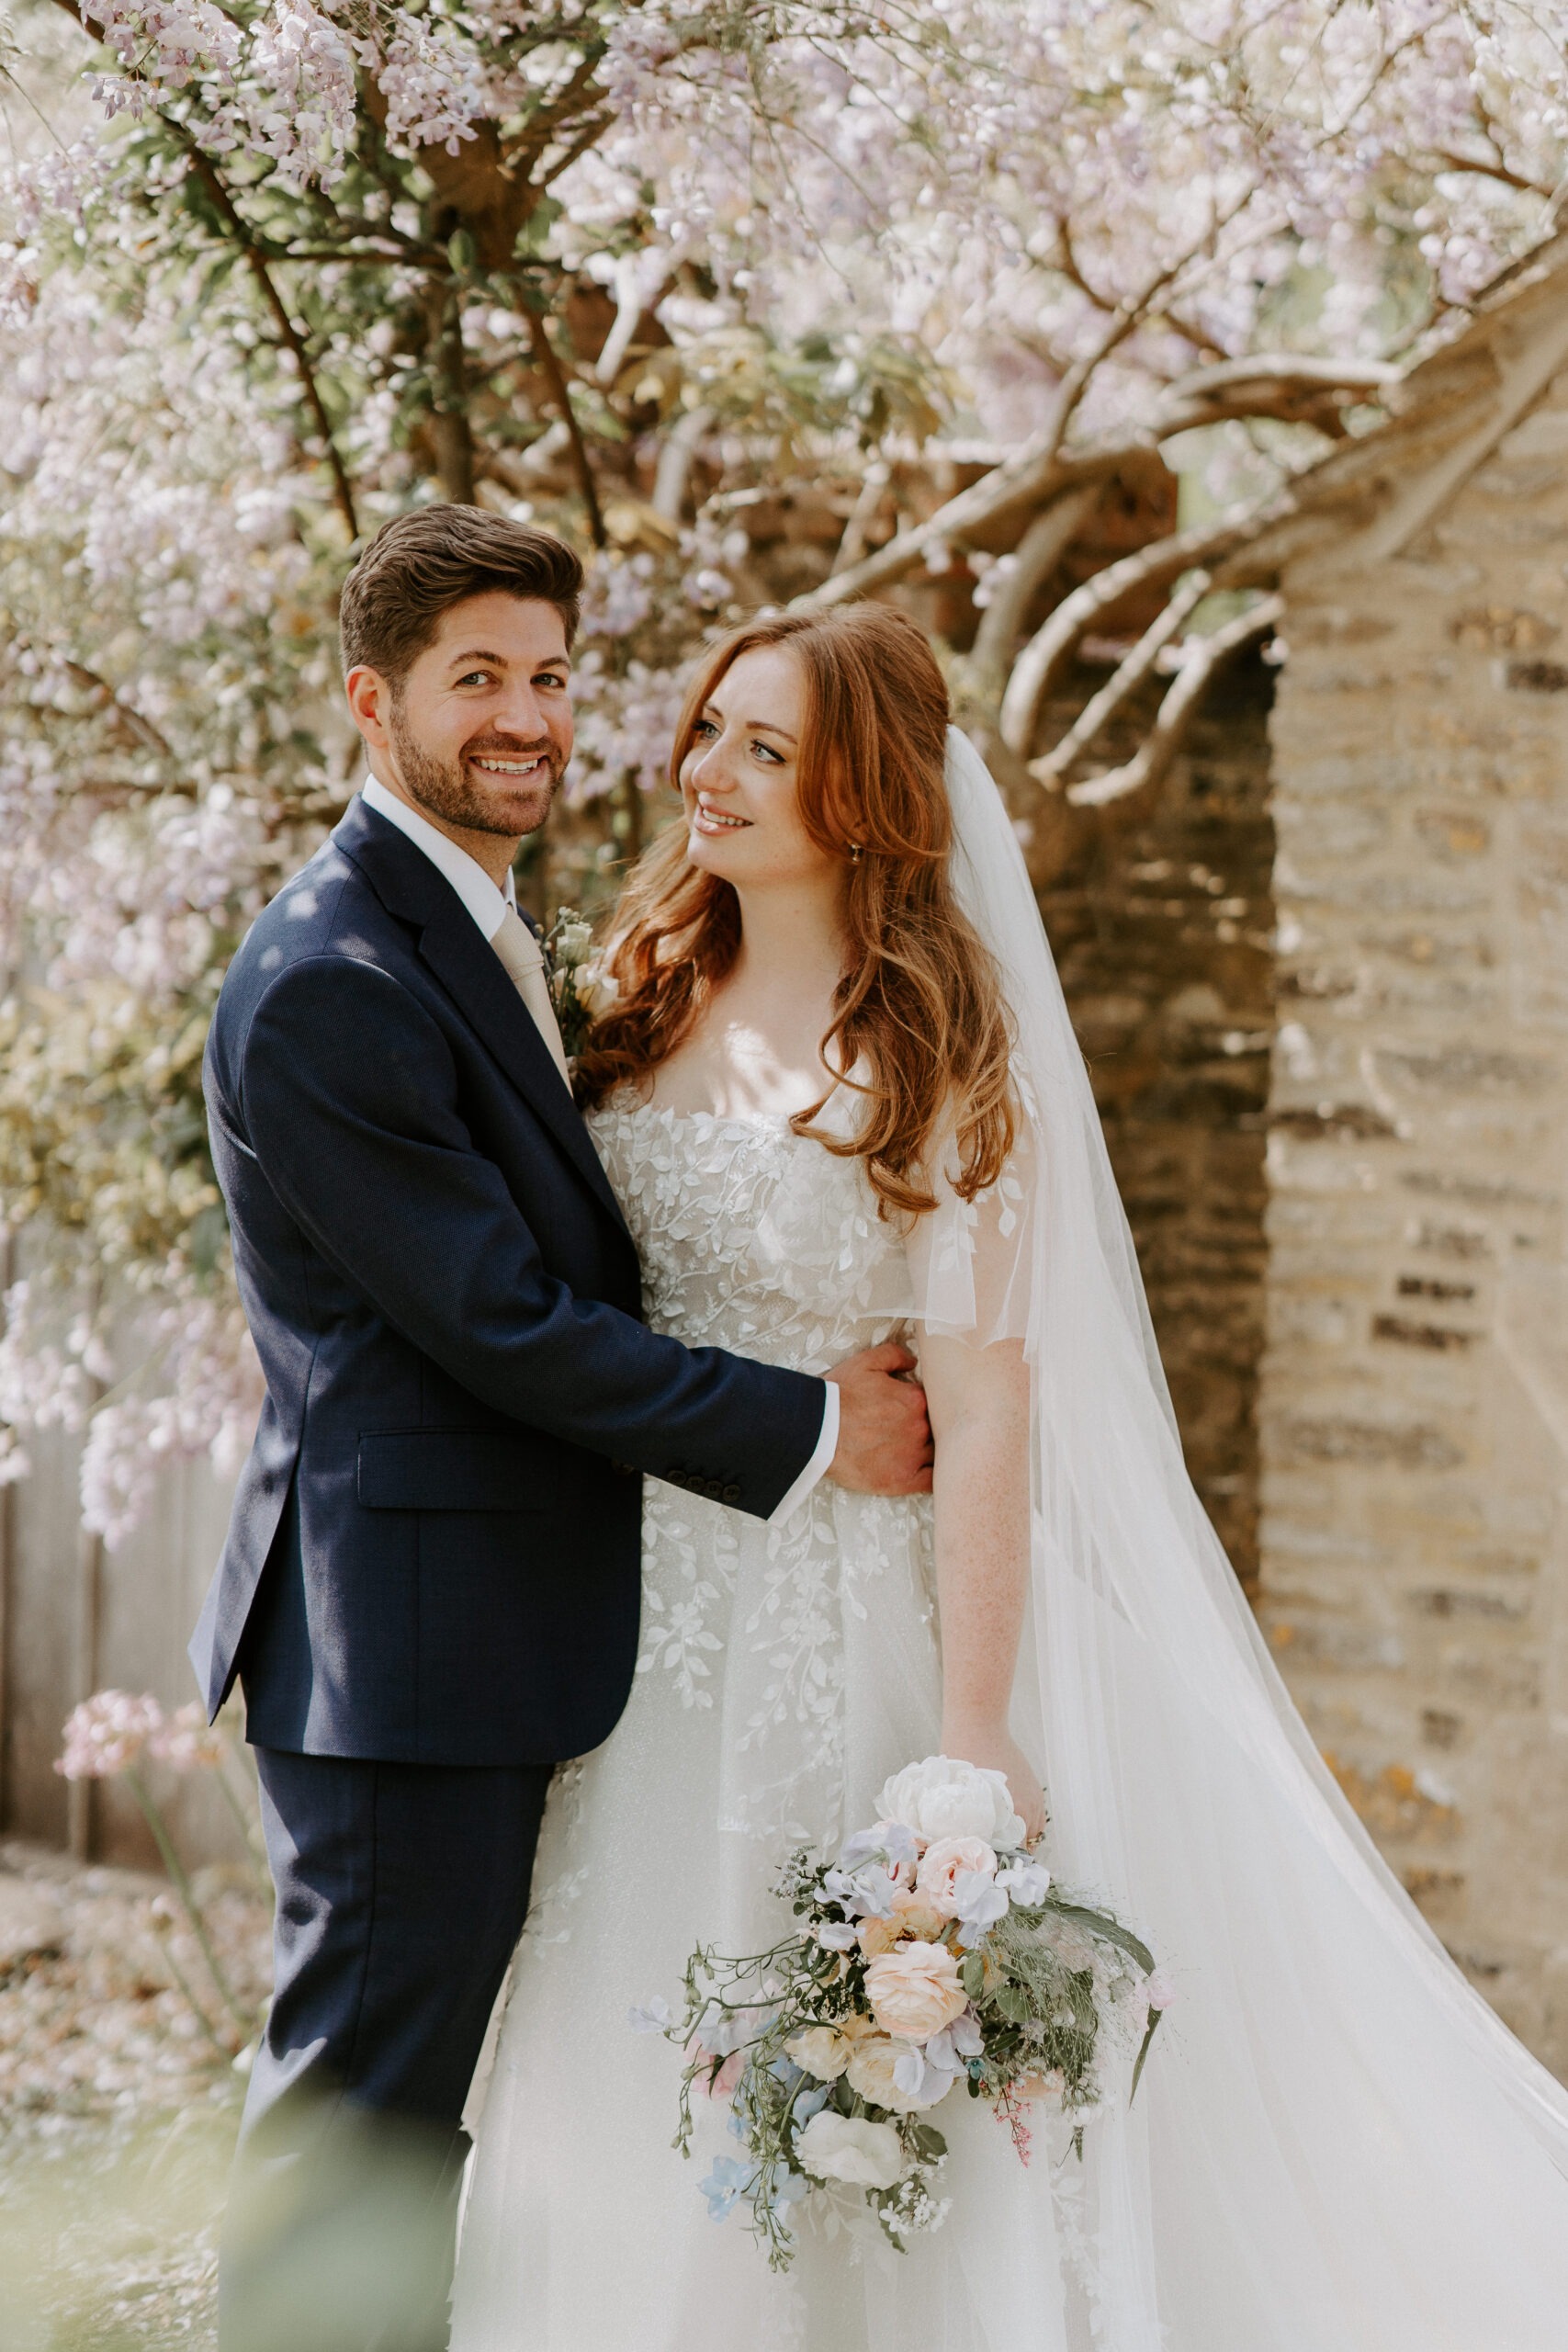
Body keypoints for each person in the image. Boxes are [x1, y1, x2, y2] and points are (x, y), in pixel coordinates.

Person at [450, 600, 1568, 2351]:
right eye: (709, 731)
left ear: (866, 796)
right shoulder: (633, 994)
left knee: (836, 2082)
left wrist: (968, 1735)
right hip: (635, 1615)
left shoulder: (933, 1067)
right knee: (621, 2037)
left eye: (768, 748)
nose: (709, 775)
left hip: (839, 1621)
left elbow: (986, 1413)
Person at [189, 507, 933, 2352]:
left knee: (437, 2118)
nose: (526, 717)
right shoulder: (333, 980)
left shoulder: (472, 920)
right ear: (373, 701)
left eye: (548, 676)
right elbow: (506, 1324)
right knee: (356, 2127)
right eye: (476, 681)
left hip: (493, 1636)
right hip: (404, 1658)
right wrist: (813, 1427)